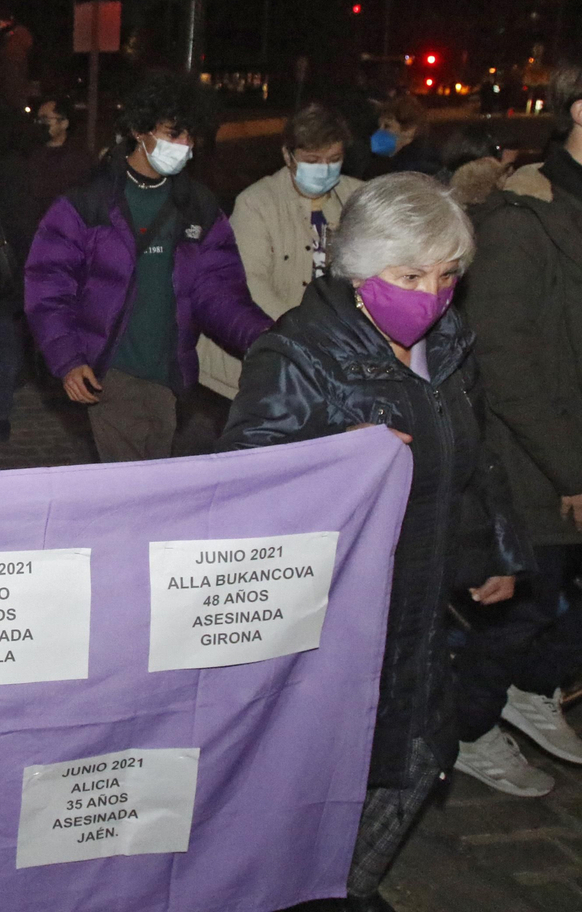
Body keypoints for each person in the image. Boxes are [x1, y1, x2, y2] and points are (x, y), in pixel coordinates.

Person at [220, 172, 525, 910]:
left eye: (448, 274)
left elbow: (472, 456)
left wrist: (491, 551)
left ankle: (341, 885)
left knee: (419, 759)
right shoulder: (298, 354)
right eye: (410, 274)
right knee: (334, 772)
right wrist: (331, 452)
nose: (431, 292)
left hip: (419, 607)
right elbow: (240, 492)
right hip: (337, 621)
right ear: (358, 268)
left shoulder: (447, 343)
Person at [25, 70, 271, 462]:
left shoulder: (198, 206)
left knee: (150, 487)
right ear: (141, 130)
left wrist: (265, 336)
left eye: (191, 136)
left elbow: (218, 291)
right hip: (111, 369)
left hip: (169, 372)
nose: (185, 146)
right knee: (133, 488)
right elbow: (47, 287)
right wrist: (69, 359)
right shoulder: (88, 201)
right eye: (174, 134)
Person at [453, 62, 582, 795]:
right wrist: (573, 470)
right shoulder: (520, 217)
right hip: (536, 463)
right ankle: (469, 728)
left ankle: (535, 692)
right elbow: (506, 362)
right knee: (519, 610)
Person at [198, 103, 363, 401]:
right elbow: (251, 283)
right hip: (256, 366)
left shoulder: (358, 198)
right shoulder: (256, 203)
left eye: (334, 159)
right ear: (288, 156)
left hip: (333, 361)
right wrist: (305, 336)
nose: (324, 169)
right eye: (312, 160)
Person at [22, 94, 95, 244]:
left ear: (64, 123)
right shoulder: (31, 155)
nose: (40, 124)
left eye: (45, 119)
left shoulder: (80, 158)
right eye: (38, 119)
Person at [369, 95, 440, 177]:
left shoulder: (421, 170)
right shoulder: (379, 163)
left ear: (409, 130)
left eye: (387, 126)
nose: (379, 132)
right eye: (379, 126)